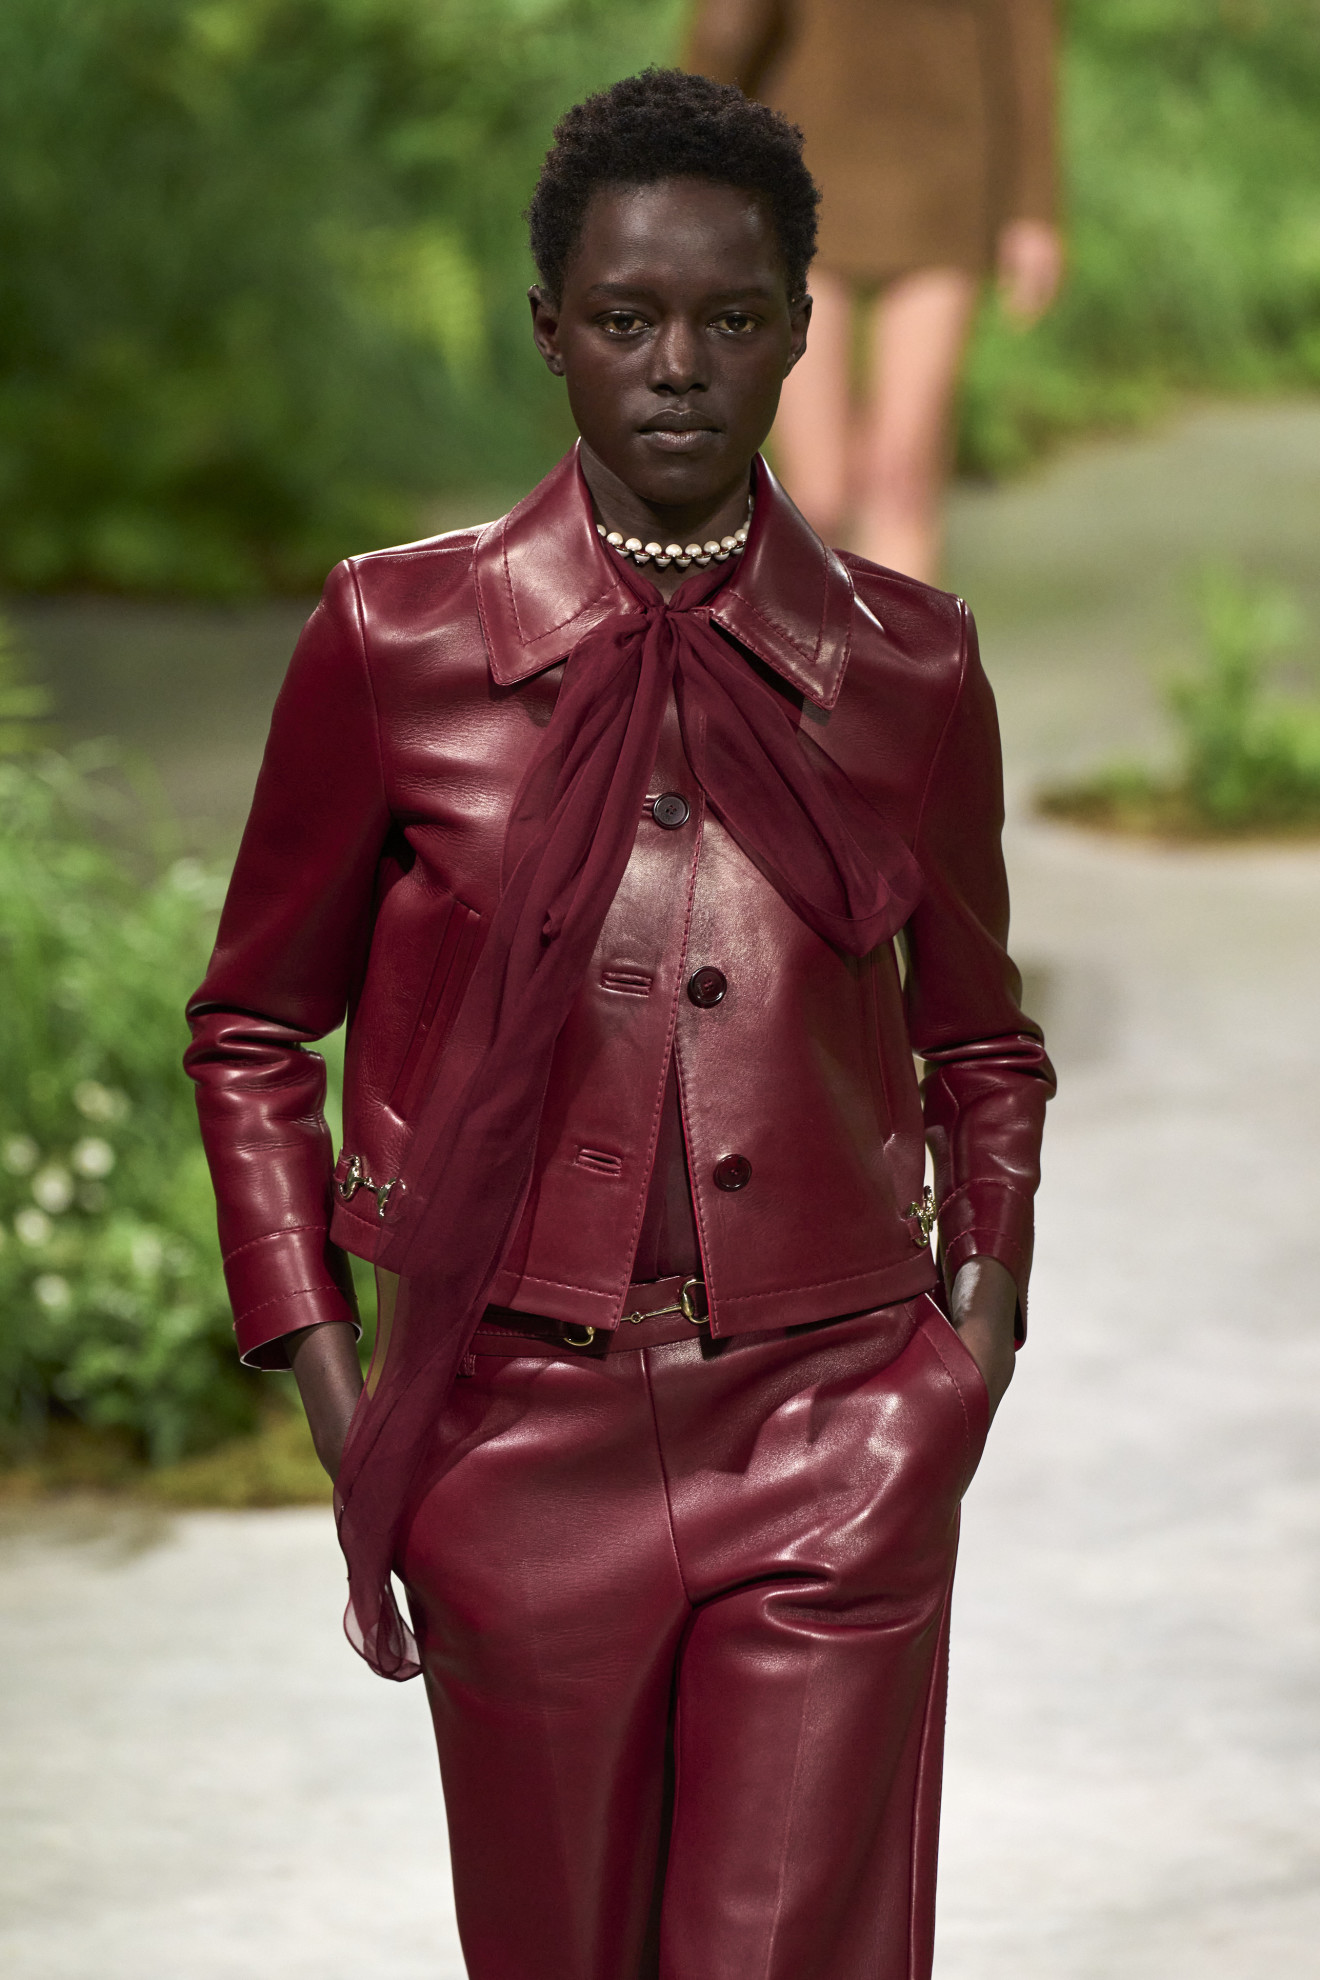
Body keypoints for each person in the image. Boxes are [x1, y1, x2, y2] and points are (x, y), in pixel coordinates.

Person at [185, 68, 1053, 1980]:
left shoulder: (910, 669)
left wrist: (968, 1349)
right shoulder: (396, 642)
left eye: (730, 319)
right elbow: (252, 1028)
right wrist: (342, 1400)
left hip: (833, 1432)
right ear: (549, 330)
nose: (677, 367)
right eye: (626, 318)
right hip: (510, 1437)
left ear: (800, 333)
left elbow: (983, 1042)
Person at [684, 0, 1063, 581]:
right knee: (815, 494)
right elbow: (729, 26)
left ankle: (892, 641)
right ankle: (812, 638)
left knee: (901, 478)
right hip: (796, 171)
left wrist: (1033, 206)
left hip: (944, 180)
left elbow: (1024, 30)